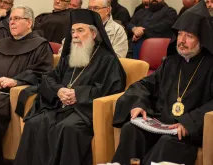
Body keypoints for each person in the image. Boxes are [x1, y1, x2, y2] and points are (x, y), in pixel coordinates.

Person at [14, 9, 126, 165]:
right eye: (73, 31)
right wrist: (59, 90)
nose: (74, 35)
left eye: (80, 30)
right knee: (34, 123)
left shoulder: (107, 60)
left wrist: (78, 94)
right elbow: (49, 78)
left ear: (93, 34)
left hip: (85, 111)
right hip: (60, 106)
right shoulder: (69, 57)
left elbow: (111, 89)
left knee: (68, 128)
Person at [112, 1, 213, 165]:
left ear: (202, 40)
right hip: (161, 123)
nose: (182, 40)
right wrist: (139, 104)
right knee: (131, 129)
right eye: (180, 34)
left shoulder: (210, 65)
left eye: (189, 36)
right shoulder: (171, 62)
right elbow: (143, 85)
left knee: (167, 142)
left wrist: (190, 123)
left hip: (186, 132)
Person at [0, 5, 53, 165]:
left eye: (16, 19)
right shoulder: (0, 44)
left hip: (7, 97)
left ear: (29, 22)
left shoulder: (40, 45)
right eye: (10, 19)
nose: (11, 22)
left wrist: (16, 81)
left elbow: (43, 73)